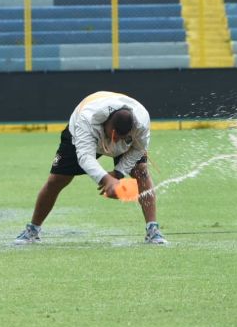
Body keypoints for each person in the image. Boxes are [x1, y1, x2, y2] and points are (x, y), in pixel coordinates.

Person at [15, 91, 167, 245]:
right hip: (83, 135)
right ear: (107, 125)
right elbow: (85, 158)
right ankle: (32, 229)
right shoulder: (86, 120)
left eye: (122, 138)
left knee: (141, 171)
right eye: (114, 137)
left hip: (123, 139)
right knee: (57, 180)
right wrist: (107, 180)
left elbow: (138, 149)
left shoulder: (141, 121)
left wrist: (118, 173)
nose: (115, 142)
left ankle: (153, 230)